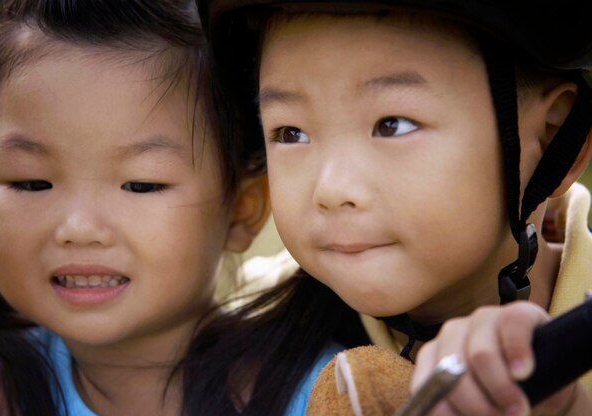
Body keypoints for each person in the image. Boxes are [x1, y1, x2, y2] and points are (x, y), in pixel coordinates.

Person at [0, 1, 367, 415]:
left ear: (242, 209)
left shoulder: (325, 393)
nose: (79, 227)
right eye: (32, 183)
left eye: (141, 184)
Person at [198, 0, 592, 414]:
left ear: (551, 141)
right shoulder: (238, 327)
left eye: (392, 125)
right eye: (291, 132)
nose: (331, 188)